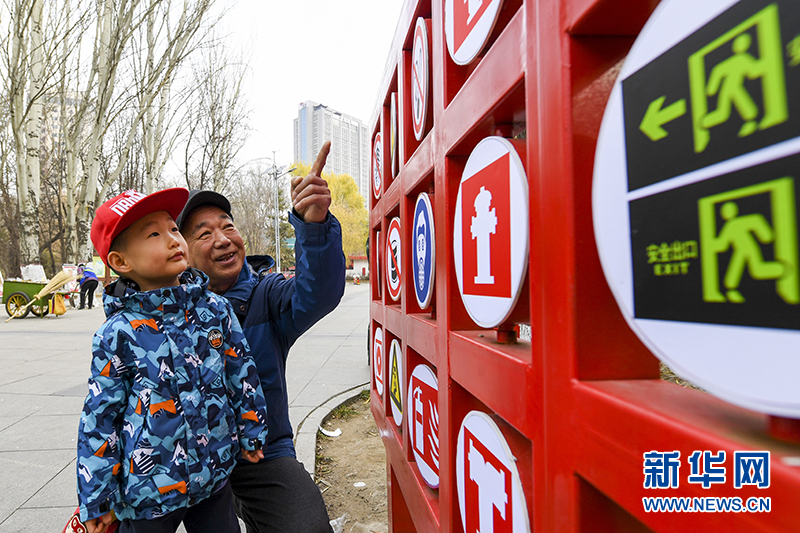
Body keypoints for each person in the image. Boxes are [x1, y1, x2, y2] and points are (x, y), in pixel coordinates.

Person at [76, 188, 269, 533]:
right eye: (154, 234)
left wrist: (252, 431)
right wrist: (97, 497)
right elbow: (100, 417)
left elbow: (242, 374)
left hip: (214, 472)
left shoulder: (215, 311)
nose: (172, 240)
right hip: (149, 490)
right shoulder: (118, 333)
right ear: (121, 262)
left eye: (174, 229)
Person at [176, 141, 345, 533]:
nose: (222, 238)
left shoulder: (265, 296)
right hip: (183, 459)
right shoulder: (166, 310)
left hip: (261, 454)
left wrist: (314, 226)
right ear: (179, 248)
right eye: (204, 233)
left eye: (228, 226)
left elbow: (317, 292)